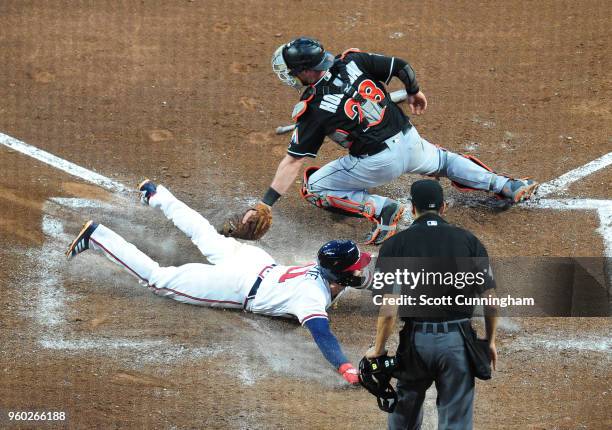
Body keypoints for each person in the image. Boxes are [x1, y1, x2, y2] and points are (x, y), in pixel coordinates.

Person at [65, 179, 374, 385]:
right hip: (236, 285)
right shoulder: (311, 297)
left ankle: (155, 193)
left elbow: (367, 278)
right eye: (355, 268)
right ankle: (97, 237)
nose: (359, 271)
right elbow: (323, 335)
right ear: (340, 273)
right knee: (158, 279)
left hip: (254, 260)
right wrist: (345, 368)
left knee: (204, 234)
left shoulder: (324, 270)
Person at [241, 37, 538, 245]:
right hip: (411, 141)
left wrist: (266, 204)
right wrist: (413, 91)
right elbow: (402, 66)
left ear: (306, 71)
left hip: (375, 163)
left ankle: (381, 209)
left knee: (315, 187)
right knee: (444, 161)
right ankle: (506, 185)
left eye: (293, 71)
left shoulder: (313, 108)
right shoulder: (353, 60)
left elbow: (294, 160)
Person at [365, 179, 499, 429]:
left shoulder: (395, 245)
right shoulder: (469, 241)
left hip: (416, 343)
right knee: (455, 421)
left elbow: (389, 309)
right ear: (444, 207)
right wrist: (490, 341)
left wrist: (379, 349)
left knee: (403, 416)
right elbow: (490, 302)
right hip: (457, 343)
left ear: (412, 208)